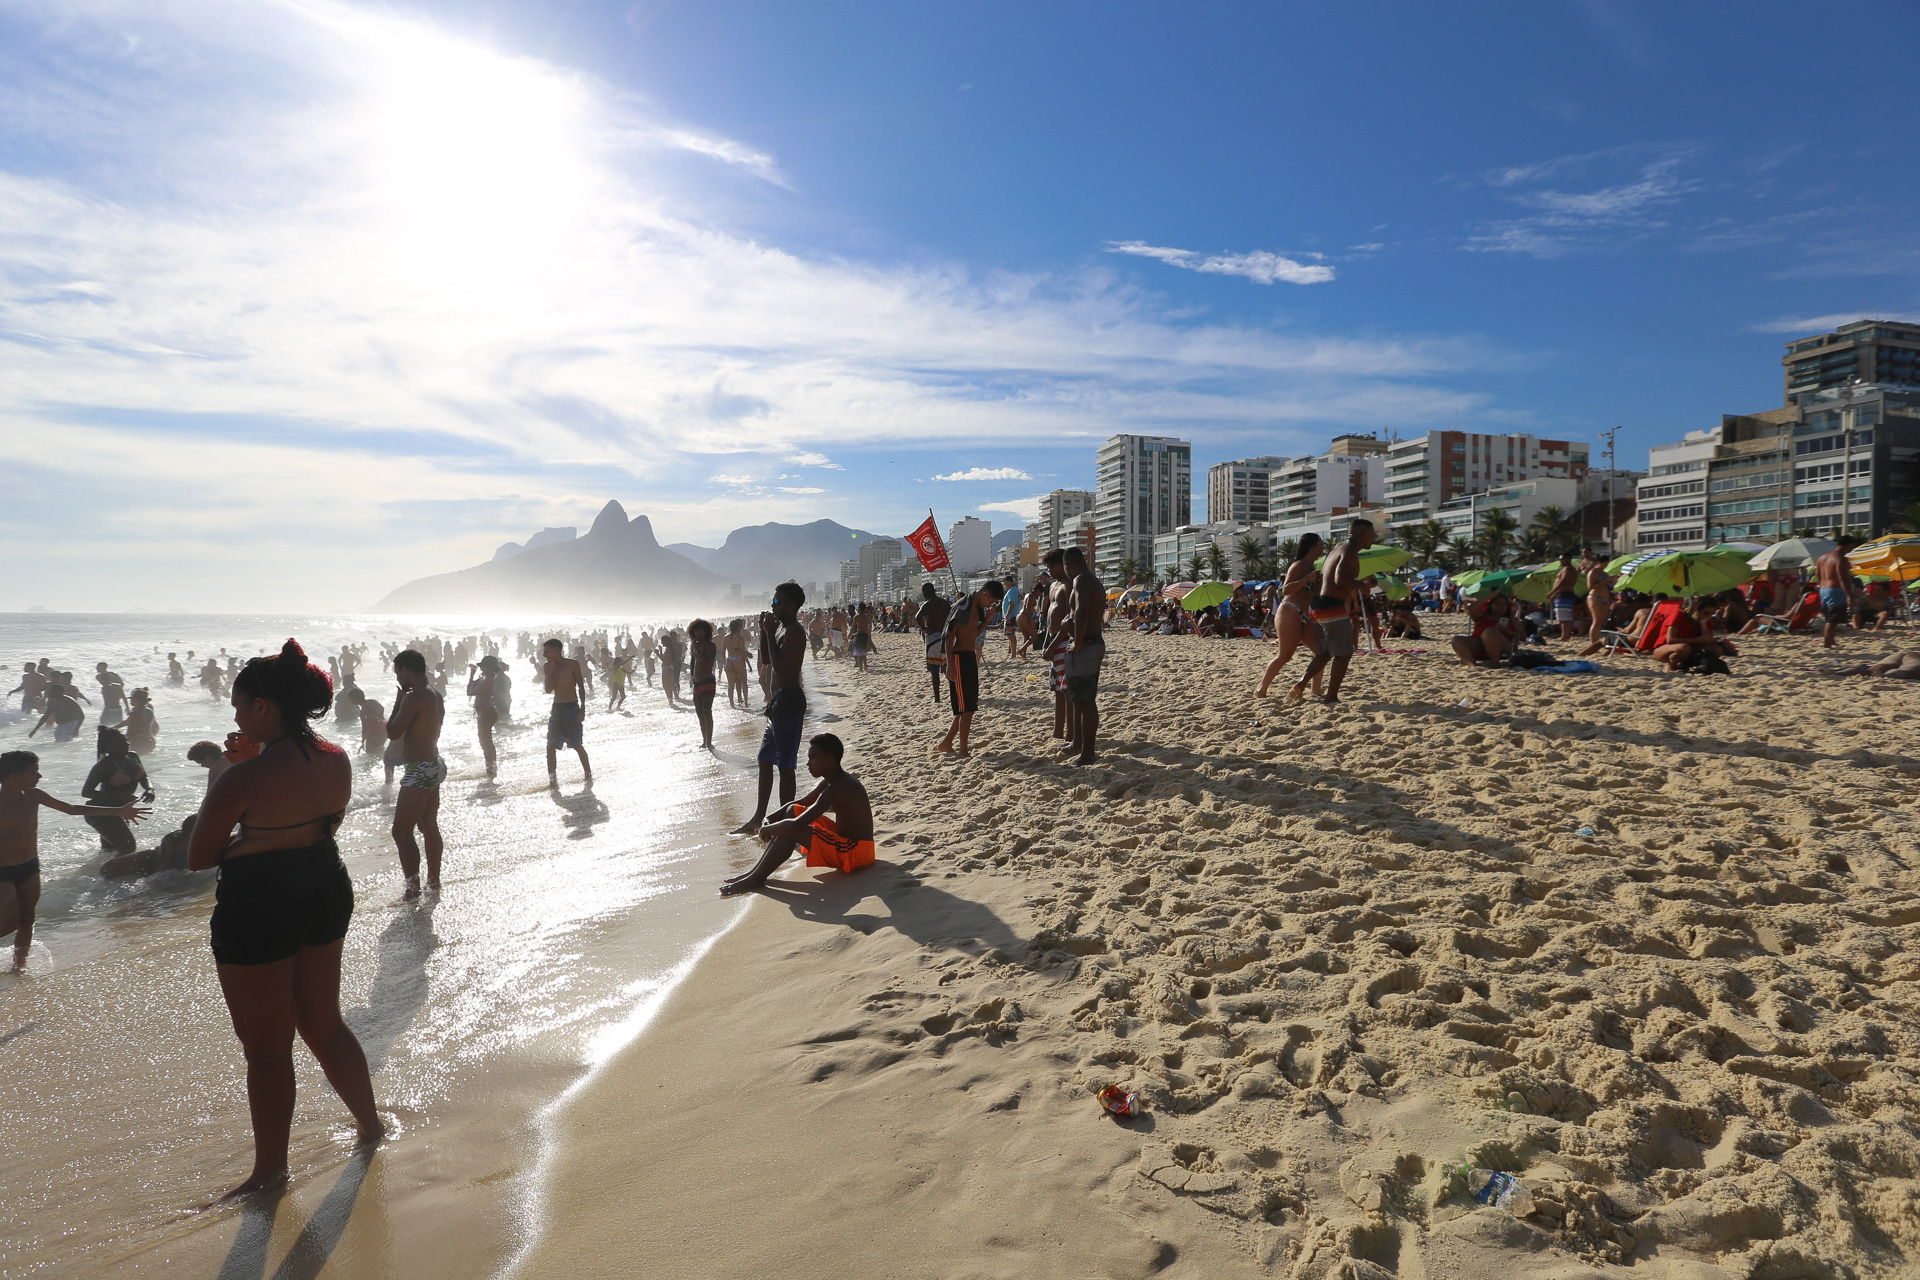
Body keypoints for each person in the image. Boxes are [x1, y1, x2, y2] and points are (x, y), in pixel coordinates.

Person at [185, 640, 382, 1199]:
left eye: (240, 705)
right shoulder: (337, 757)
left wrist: (233, 773)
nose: (236, 715)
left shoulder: (239, 779)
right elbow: (315, 825)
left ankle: (271, 1172)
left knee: (267, 1048)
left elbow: (198, 857)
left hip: (261, 900)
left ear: (264, 707)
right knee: (323, 1021)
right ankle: (370, 1128)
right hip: (325, 881)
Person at [2, 751, 149, 967]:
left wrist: (117, 811)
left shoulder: (35, 796)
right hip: (3, 871)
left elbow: (71, 809)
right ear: (15, 777)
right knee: (9, 922)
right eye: (34, 771)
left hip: (30, 867)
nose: (39, 776)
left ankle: (19, 967)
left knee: (27, 919)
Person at [721, 734, 873, 897]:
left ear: (829, 760)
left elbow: (796, 825)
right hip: (847, 843)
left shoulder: (838, 787)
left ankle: (754, 879)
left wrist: (767, 830)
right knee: (793, 810)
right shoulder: (830, 782)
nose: (808, 763)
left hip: (857, 854)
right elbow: (798, 803)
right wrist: (768, 819)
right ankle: (755, 873)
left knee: (791, 829)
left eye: (812, 758)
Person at [733, 583, 809, 835]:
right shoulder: (783, 630)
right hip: (778, 702)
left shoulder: (795, 631)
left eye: (777, 602)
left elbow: (780, 666)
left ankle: (785, 820)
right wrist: (766, 632)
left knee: (785, 766)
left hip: (789, 701)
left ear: (790, 606)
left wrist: (768, 632)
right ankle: (758, 817)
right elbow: (766, 659)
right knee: (765, 760)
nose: (772, 605)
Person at [1292, 519, 1373, 703]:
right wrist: (1362, 586)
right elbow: (1340, 579)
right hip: (1331, 606)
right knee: (1344, 653)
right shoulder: (1350, 551)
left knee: (1325, 652)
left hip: (1318, 604)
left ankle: (1301, 684)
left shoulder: (1339, 547)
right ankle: (1331, 696)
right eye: (1372, 534)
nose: (1373, 538)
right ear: (1362, 535)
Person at [385, 650, 446, 896]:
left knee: (400, 831)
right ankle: (433, 881)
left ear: (406, 670)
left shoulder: (413, 698)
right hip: (433, 762)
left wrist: (398, 701)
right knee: (428, 824)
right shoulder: (434, 693)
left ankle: (413, 888)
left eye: (398, 672)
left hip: (419, 769)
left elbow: (392, 732)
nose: (398, 677)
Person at [934, 580, 1006, 756]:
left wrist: (988, 619)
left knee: (969, 706)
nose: (991, 605)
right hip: (958, 659)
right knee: (965, 708)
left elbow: (974, 634)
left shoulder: (978, 607)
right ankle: (963, 749)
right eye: (991, 601)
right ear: (985, 594)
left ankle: (947, 743)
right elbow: (949, 637)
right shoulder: (963, 607)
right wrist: (950, 665)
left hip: (970, 657)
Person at [1255, 533, 1324, 697]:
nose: (1323, 548)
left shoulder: (1313, 568)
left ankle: (1315, 691)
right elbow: (1286, 589)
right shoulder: (1299, 566)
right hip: (1289, 611)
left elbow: (1314, 595)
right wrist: (1308, 579)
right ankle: (1261, 689)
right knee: (1285, 655)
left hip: (1304, 614)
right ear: (1312, 548)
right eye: (1321, 545)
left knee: (1321, 652)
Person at [81, 727, 153, 858]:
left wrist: (149, 789)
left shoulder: (133, 756)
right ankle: (115, 873)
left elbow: (144, 777)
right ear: (108, 747)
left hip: (122, 809)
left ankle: (101, 874)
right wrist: (119, 796)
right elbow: (86, 792)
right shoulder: (103, 766)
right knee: (128, 847)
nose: (127, 744)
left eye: (125, 740)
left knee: (110, 851)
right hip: (103, 811)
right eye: (120, 742)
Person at [1062, 546, 1105, 763]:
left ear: (1067, 565)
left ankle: (1088, 753)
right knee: (1080, 699)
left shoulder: (1081, 580)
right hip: (1090, 643)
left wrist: (1077, 642)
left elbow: (1082, 611)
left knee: (1086, 701)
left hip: (1086, 645)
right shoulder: (1091, 580)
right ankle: (1078, 744)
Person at [542, 638, 592, 783]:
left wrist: (583, 709)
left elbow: (581, 687)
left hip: (571, 707)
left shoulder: (572, 664)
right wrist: (552, 671)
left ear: (557, 650)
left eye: (547, 651)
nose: (545, 654)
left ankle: (588, 774)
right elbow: (548, 689)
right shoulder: (547, 667)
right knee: (550, 745)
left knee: (576, 744)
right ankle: (552, 779)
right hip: (557, 708)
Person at [1451, 593, 1522, 665]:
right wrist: (1489, 596)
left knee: (1489, 632)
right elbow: (1472, 608)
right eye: (1497, 603)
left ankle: (1495, 663)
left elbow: (1523, 637)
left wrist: (1506, 631)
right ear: (1491, 605)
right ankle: (1472, 665)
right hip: (1479, 644)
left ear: (1508, 607)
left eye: (1504, 604)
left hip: (1503, 646)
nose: (1500, 605)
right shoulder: (1482, 616)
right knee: (1456, 640)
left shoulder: (1512, 619)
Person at [1816, 536, 1859, 649]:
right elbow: (1842, 579)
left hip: (1823, 589)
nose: (1852, 549)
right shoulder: (1841, 558)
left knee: (1829, 617)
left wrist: (1822, 587)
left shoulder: (1822, 557)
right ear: (1848, 545)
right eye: (1852, 546)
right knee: (1833, 619)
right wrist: (1850, 595)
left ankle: (1831, 640)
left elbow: (1818, 574)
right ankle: (1827, 643)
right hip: (1835, 590)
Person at [915, 582, 951, 703]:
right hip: (945, 638)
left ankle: (937, 698)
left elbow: (917, 617)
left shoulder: (927, 604)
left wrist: (924, 629)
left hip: (932, 638)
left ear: (925, 593)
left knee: (934, 672)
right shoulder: (945, 603)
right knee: (947, 668)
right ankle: (954, 693)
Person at [466, 656, 501, 778]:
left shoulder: (489, 680)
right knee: (484, 740)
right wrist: (471, 675)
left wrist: (473, 677)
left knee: (486, 741)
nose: (482, 668)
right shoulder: (483, 678)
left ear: (490, 668)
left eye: (484, 666)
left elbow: (472, 692)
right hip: (483, 712)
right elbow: (469, 691)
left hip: (487, 711)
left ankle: (491, 769)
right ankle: (491, 767)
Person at [688, 619, 718, 749]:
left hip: (708, 681)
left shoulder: (711, 646)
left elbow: (707, 665)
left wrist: (698, 650)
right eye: (696, 630)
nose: (699, 633)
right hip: (697, 682)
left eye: (701, 630)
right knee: (699, 713)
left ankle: (709, 742)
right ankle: (704, 740)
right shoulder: (693, 645)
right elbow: (693, 662)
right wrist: (692, 677)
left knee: (707, 711)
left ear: (707, 632)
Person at [28, 678, 87, 742]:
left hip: (70, 725)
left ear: (58, 693)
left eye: (51, 691)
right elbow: (45, 716)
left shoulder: (69, 700)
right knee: (58, 744)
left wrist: (76, 729)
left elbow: (81, 716)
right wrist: (35, 730)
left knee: (64, 745)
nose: (49, 693)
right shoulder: (52, 701)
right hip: (59, 725)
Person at [1816, 650, 1920, 679]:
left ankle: (1836, 672)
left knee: (1869, 670)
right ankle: (1885, 675)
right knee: (1908, 671)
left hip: (1905, 655)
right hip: (1914, 659)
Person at [722, 618, 753, 709]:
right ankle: (746, 702)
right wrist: (749, 663)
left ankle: (732, 704)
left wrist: (725, 663)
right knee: (744, 682)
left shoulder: (725, 638)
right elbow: (742, 653)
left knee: (731, 684)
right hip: (738, 660)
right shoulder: (740, 638)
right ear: (738, 628)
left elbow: (723, 652)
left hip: (729, 660)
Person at [1547, 555, 1580, 642]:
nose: (1561, 561)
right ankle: (1566, 635)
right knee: (1566, 617)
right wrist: (1554, 594)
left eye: (1562, 559)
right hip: (1565, 594)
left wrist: (1552, 592)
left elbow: (1563, 581)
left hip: (1564, 594)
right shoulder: (1571, 569)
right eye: (1560, 559)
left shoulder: (1568, 569)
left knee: (1564, 618)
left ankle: (1564, 636)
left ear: (1568, 559)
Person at [122, 687, 159, 755]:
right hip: (150, 740)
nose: (130, 701)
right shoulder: (149, 711)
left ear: (136, 701)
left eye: (131, 699)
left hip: (137, 741)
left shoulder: (134, 713)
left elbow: (129, 732)